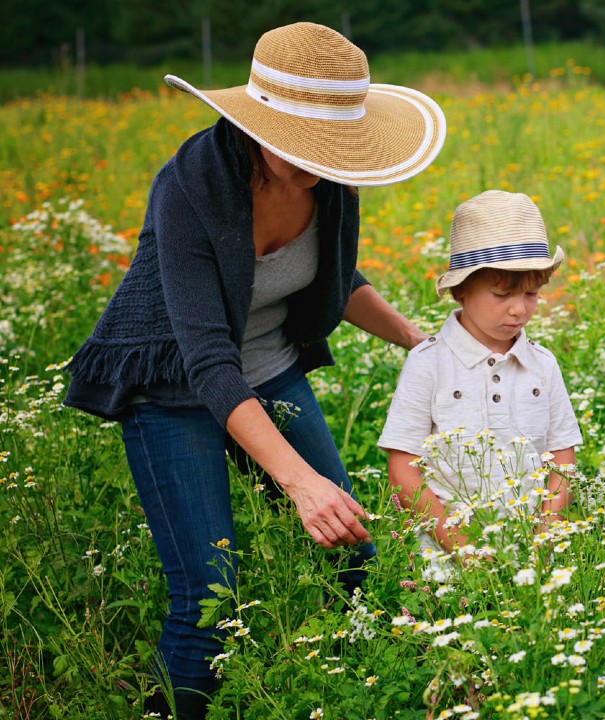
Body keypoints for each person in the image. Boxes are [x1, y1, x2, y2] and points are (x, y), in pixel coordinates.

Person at [62, 22, 445, 719]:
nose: (318, 163)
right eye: (302, 145)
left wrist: (419, 343)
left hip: (269, 373)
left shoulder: (330, 186)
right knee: (210, 599)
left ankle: (339, 691)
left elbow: (336, 276)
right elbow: (208, 360)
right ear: (255, 122)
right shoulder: (188, 188)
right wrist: (298, 484)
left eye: (330, 148)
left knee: (351, 557)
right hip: (173, 391)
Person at [378, 190, 582, 559]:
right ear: (461, 290)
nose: (519, 309)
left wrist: (543, 537)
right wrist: (463, 548)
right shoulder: (429, 363)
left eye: (532, 293)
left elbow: (562, 458)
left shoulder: (543, 364)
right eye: (502, 294)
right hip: (445, 560)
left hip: (531, 558)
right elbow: (402, 474)